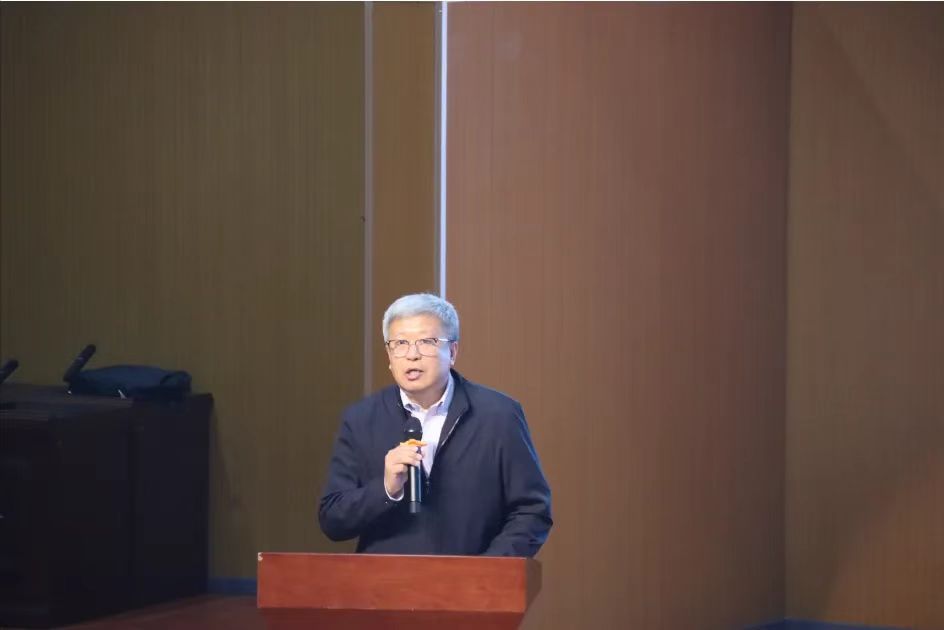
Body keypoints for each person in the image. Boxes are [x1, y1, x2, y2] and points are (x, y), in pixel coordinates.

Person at [318, 293, 552, 557]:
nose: (412, 355)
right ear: (389, 355)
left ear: (452, 352)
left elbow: (532, 511)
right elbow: (333, 519)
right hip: (384, 581)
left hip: (474, 580)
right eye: (400, 343)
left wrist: (486, 571)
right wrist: (385, 489)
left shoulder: (498, 416)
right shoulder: (361, 419)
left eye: (426, 342)